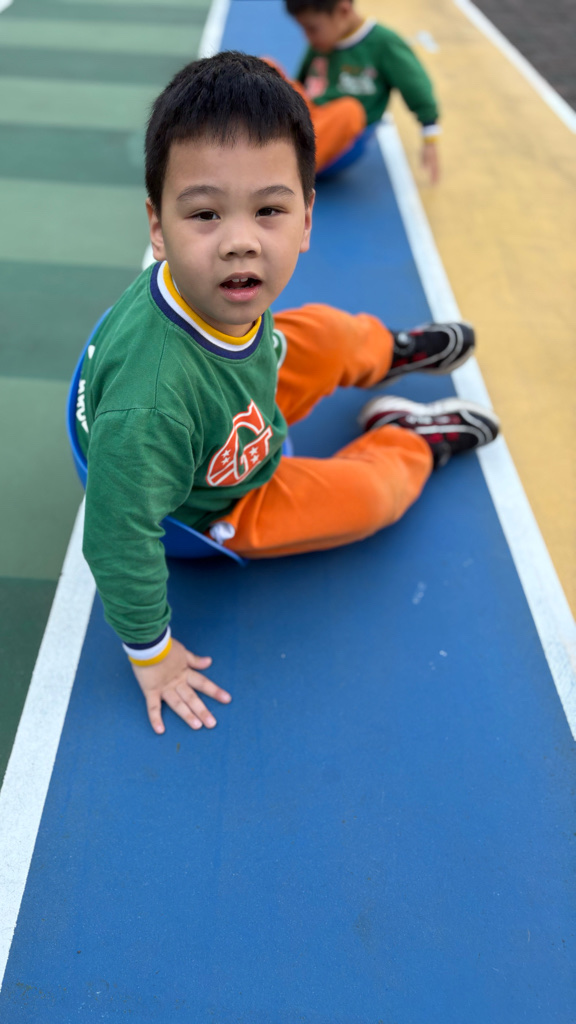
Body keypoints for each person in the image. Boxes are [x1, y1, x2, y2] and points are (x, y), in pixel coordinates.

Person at [76, 52, 497, 735]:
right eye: (205, 214)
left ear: (306, 220)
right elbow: (115, 536)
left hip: (226, 410)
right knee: (372, 498)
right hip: (214, 499)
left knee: (326, 333)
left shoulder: (217, 291)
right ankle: (408, 438)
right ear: (157, 227)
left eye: (269, 209)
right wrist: (151, 654)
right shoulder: (151, 405)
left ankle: (386, 354)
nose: (240, 241)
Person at [276, 0, 441, 181]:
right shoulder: (322, 41)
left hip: (342, 137)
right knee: (268, 68)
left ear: (343, 10)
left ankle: (287, 169)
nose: (307, 37)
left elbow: (416, 86)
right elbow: (298, 87)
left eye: (312, 28)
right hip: (309, 118)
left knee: (350, 110)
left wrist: (429, 138)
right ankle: (270, 147)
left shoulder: (383, 43)